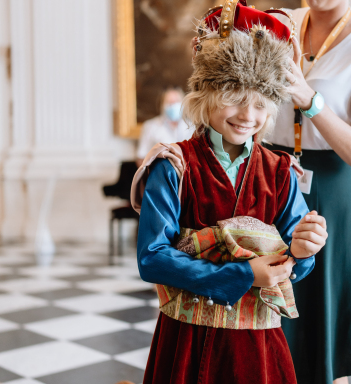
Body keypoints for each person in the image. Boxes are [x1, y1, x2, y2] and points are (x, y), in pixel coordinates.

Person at [131, 4, 328, 383]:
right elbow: (152, 259)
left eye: (259, 103)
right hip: (188, 342)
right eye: (233, 95)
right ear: (206, 94)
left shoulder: (280, 172)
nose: (247, 115)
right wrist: (243, 274)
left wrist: (303, 252)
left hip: (260, 348)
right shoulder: (173, 167)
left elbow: (297, 261)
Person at [262, 1, 351, 383]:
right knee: (268, 319)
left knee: (326, 334)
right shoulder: (281, 22)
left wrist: (310, 99)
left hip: (335, 186)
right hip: (272, 178)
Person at [136, 87, 194, 167]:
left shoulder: (193, 127)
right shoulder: (150, 126)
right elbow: (141, 159)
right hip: (160, 174)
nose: (173, 105)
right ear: (162, 105)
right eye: (169, 102)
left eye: (176, 101)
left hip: (188, 175)